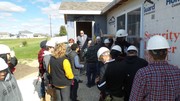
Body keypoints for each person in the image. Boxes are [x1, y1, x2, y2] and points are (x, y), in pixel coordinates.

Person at [129, 35, 180, 101]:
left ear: (149, 54)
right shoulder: (177, 72)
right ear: (166, 53)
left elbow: (134, 99)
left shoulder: (143, 74)